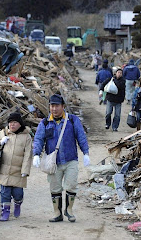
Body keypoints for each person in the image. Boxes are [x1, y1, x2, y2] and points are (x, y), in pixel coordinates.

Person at [32, 94, 90, 223]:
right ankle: (57, 213)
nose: (54, 109)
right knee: (55, 188)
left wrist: (85, 152)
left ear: (63, 106)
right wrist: (36, 154)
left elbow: (81, 136)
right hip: (54, 163)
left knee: (71, 185)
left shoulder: (72, 120)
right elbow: (38, 139)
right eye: (52, 106)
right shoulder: (45, 122)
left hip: (71, 159)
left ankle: (69, 210)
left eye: (57, 106)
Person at [0, 112, 33, 221]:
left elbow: (28, 155)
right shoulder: (3, 133)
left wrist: (25, 170)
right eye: (10, 123)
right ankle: (5, 212)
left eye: (14, 123)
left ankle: (18, 204)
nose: (12, 125)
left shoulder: (26, 137)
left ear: (20, 124)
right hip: (4, 170)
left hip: (18, 171)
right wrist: (0, 143)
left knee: (18, 194)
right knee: (5, 193)